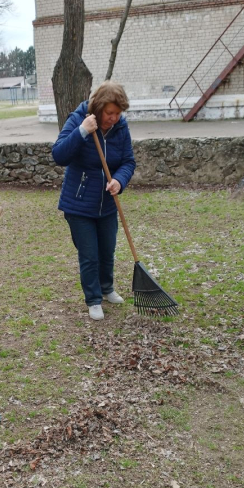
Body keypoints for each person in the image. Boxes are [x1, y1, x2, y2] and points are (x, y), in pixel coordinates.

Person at [52, 81, 136, 320]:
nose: (114, 118)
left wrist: (119, 180)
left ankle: (106, 288)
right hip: (79, 204)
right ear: (98, 108)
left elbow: (128, 161)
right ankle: (93, 299)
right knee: (89, 255)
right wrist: (82, 131)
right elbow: (59, 155)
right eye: (110, 113)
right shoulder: (79, 118)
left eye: (118, 113)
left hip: (107, 204)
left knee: (107, 250)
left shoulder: (120, 128)